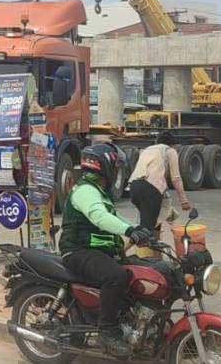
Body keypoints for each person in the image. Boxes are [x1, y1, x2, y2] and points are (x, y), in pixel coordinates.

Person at [60, 143, 153, 358]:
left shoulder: (99, 192)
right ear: (104, 166)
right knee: (116, 277)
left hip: (97, 251)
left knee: (139, 270)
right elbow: (100, 218)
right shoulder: (84, 190)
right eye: (117, 167)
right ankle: (107, 332)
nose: (118, 171)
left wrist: (138, 230)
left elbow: (114, 217)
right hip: (77, 250)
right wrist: (130, 230)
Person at [129, 131, 191, 235]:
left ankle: (156, 251)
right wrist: (184, 201)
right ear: (172, 143)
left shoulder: (146, 150)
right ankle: (121, 250)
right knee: (146, 230)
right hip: (150, 190)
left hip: (134, 187)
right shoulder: (170, 151)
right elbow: (176, 178)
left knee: (154, 223)